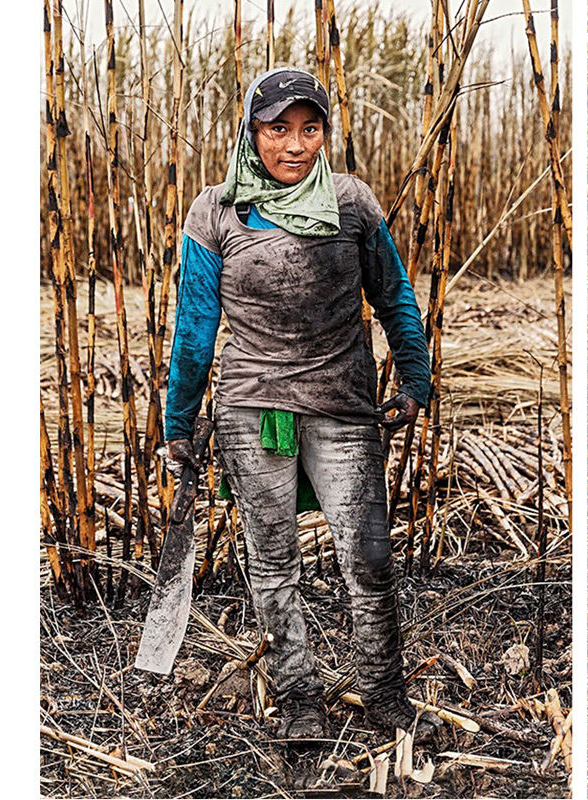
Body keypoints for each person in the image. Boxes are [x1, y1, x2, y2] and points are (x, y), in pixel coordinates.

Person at [162, 66, 437, 742]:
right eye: (277, 129)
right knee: (272, 561)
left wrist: (414, 380)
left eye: (309, 128)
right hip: (254, 410)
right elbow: (194, 326)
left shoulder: (351, 202)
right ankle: (299, 701)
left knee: (369, 558)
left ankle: (383, 696)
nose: (294, 145)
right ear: (251, 133)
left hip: (343, 405)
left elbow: (394, 295)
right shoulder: (217, 210)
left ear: (324, 132)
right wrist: (179, 422)